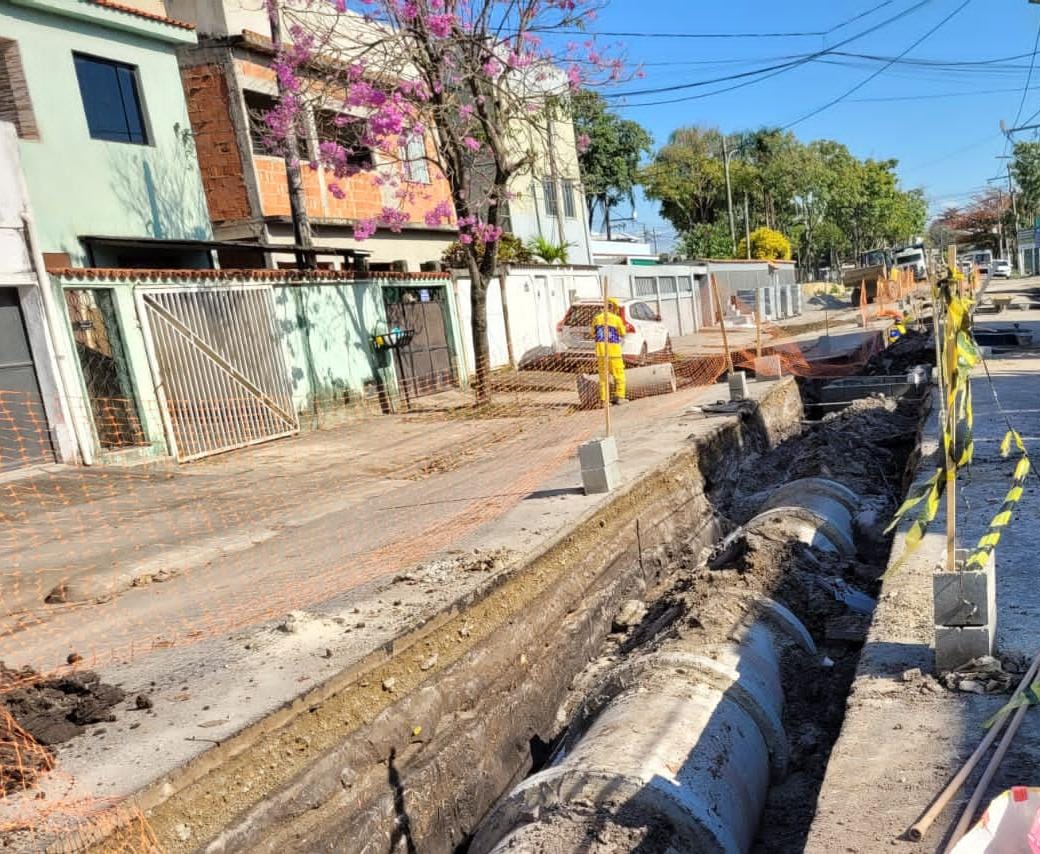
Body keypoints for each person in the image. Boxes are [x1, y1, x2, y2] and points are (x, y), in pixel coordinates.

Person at [592, 298, 628, 405]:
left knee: (603, 377)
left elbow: (592, 333)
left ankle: (604, 400)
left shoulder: (597, 318)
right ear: (612, 307)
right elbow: (623, 333)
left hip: (601, 353)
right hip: (614, 353)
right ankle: (620, 397)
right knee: (619, 375)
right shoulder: (616, 319)